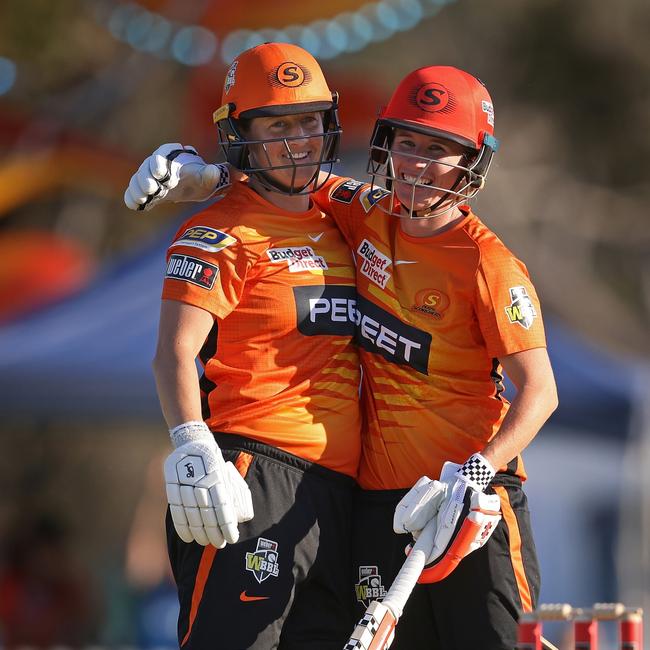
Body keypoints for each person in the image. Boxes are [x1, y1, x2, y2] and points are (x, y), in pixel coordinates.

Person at [127, 64, 558, 650]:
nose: (418, 165)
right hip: (374, 507)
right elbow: (289, 169)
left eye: (440, 150)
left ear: (471, 164)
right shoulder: (362, 210)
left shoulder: (489, 263)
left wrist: (478, 472)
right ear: (385, 145)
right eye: (408, 144)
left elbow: (540, 391)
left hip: (469, 503)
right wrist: (207, 175)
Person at [149, 42, 362, 650]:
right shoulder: (218, 232)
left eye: (308, 120)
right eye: (277, 124)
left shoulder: (340, 221)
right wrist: (191, 445)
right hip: (251, 475)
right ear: (241, 132)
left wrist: (217, 173)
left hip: (340, 491)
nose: (297, 139)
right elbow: (173, 352)